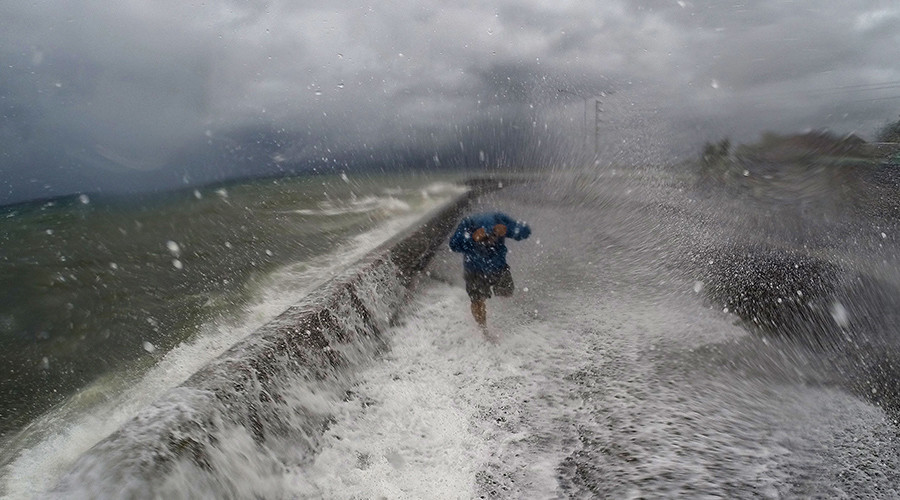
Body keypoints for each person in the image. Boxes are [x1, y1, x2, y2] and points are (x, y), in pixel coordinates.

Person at [449, 211, 531, 329]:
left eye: (493, 235)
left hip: (498, 267)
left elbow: (525, 231)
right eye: (485, 238)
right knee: (477, 301)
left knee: (507, 292)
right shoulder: (468, 223)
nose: (489, 241)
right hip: (474, 271)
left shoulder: (499, 219)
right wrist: (472, 239)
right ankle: (483, 330)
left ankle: (508, 316)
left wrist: (507, 230)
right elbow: (453, 245)